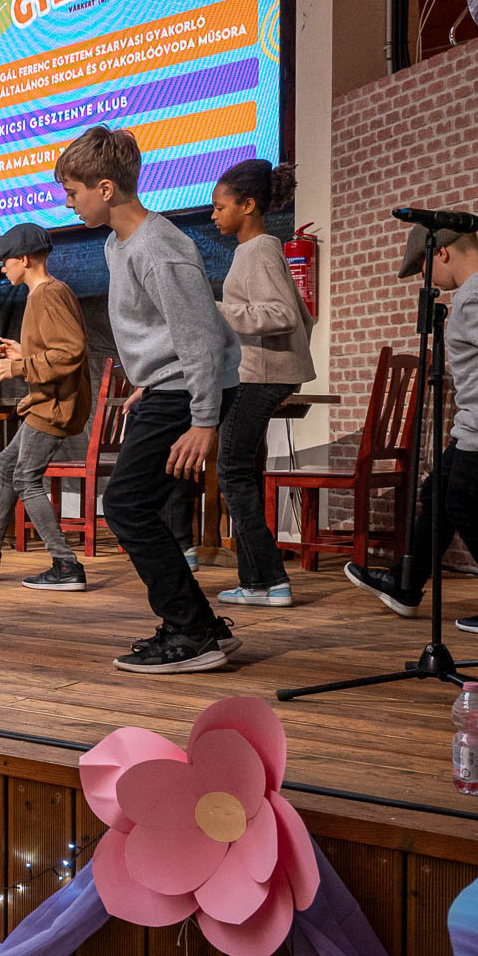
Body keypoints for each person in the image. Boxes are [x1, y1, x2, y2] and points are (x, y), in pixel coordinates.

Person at [56, 126, 240, 673]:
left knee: (127, 507)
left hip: (188, 392)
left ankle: (192, 631)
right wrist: (149, 379)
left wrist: (204, 421)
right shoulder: (118, 244)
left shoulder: (160, 247)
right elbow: (163, 329)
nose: (68, 204)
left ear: (105, 188)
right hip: (167, 386)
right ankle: (200, 624)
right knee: (135, 506)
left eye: (73, 193)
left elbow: (200, 336)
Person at [346, 223, 478, 633]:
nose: (427, 278)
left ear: (442, 252)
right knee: (436, 492)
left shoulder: (475, 295)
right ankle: (406, 584)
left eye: (425, 267)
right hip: (474, 426)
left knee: (461, 503)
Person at [0, 223, 92, 590]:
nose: (3, 268)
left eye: (6, 261)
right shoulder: (44, 295)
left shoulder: (49, 294)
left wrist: (19, 367)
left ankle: (65, 563)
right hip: (45, 402)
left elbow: (70, 352)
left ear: (24, 259)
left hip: (53, 405)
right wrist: (24, 353)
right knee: (9, 464)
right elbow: (57, 348)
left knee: (25, 477)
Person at [209, 160, 315, 608]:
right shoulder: (253, 251)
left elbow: (283, 315)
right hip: (259, 373)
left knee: (231, 470)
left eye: (220, 207)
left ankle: (270, 579)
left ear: (248, 205)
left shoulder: (259, 250)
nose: (213, 215)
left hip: (261, 376)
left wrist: (217, 311)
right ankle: (257, 582)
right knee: (241, 470)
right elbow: (300, 315)